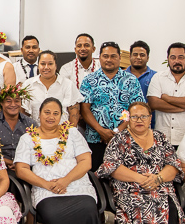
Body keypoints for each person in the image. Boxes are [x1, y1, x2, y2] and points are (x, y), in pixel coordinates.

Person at [96, 102, 185, 224]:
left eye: (143, 116)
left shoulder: (161, 138)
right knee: (148, 202)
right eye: (135, 117)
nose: (139, 120)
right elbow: (112, 167)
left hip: (159, 184)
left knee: (168, 204)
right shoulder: (119, 139)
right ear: (128, 119)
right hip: (129, 187)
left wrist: (158, 178)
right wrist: (140, 179)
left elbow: (174, 165)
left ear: (150, 119)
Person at [14, 98, 100, 224]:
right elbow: (21, 170)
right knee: (53, 212)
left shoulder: (73, 134)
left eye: (56, 113)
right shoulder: (27, 138)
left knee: (88, 208)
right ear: (39, 114)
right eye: (47, 112)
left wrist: (65, 181)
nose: (51, 117)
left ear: (62, 116)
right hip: (45, 189)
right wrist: (47, 184)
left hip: (76, 185)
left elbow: (86, 162)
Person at [80, 42, 145, 171]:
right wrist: (100, 130)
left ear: (120, 58)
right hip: (95, 139)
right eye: (105, 56)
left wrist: (118, 131)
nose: (109, 60)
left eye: (113, 56)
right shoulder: (89, 80)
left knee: (125, 176)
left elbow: (135, 109)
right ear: (99, 58)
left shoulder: (131, 80)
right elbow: (84, 109)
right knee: (97, 177)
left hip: (125, 140)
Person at [0, 84, 36, 224]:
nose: (13, 104)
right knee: (10, 187)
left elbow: (38, 145)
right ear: (1, 103)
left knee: (35, 187)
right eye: (8, 101)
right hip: (2, 165)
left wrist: (22, 161)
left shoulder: (29, 122)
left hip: (26, 163)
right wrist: (8, 162)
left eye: (17, 100)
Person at [147, 43, 185, 147]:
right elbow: (153, 103)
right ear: (168, 58)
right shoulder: (158, 78)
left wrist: (167, 98)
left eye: (181, 57)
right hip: (162, 139)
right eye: (173, 57)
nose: (177, 61)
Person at [22, 51, 82, 126]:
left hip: (62, 134)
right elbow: (23, 114)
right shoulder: (28, 85)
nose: (46, 67)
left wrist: (68, 133)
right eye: (43, 64)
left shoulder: (68, 84)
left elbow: (74, 113)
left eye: (50, 64)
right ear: (38, 65)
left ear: (56, 65)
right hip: (36, 133)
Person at [126, 41, 157, 113]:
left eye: (142, 55)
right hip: (125, 121)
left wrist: (142, 111)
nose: (138, 57)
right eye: (135, 54)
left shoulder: (156, 77)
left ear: (148, 58)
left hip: (150, 121)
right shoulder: (121, 77)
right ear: (130, 56)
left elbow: (157, 100)